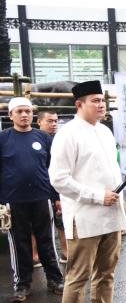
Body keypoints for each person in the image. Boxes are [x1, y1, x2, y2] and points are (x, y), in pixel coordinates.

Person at [49, 80, 126, 303]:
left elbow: (112, 175)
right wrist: (97, 196)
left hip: (110, 216)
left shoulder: (105, 132)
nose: (100, 105)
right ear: (79, 104)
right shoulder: (68, 134)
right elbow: (58, 179)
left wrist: (121, 216)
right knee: (78, 275)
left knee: (106, 273)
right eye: (95, 100)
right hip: (84, 217)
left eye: (102, 100)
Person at [0, 97, 65, 303]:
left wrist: (56, 198)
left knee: (47, 241)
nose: (24, 115)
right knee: (19, 243)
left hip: (42, 197)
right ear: (11, 115)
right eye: (19, 111)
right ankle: (22, 285)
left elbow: (52, 171)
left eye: (27, 111)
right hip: (13, 200)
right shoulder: (3, 138)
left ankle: (55, 280)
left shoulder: (44, 138)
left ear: (33, 115)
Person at [32, 110, 68, 265]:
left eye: (56, 121)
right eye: (50, 121)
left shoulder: (59, 139)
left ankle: (65, 252)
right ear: (39, 121)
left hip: (57, 187)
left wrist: (58, 195)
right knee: (35, 224)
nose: (54, 124)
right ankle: (35, 255)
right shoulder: (32, 139)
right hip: (38, 188)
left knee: (61, 221)